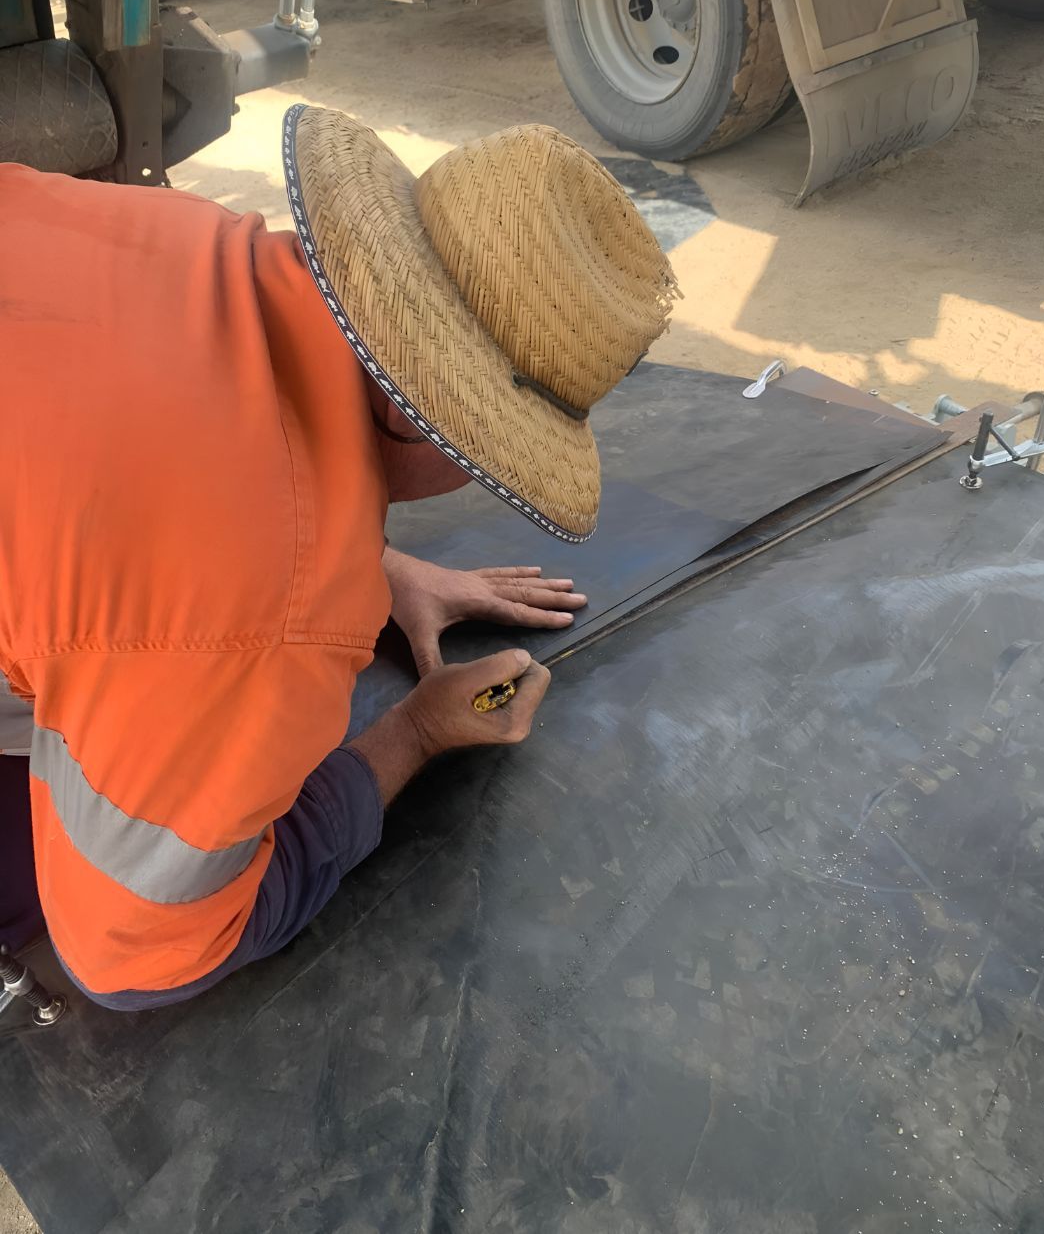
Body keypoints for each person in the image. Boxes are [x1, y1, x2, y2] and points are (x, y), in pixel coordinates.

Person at [0, 106, 678, 1009]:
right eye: (490, 450)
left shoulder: (174, 233)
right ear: (429, 416)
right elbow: (132, 952)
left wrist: (378, 562)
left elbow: (124, 465)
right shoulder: (262, 613)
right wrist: (415, 733)